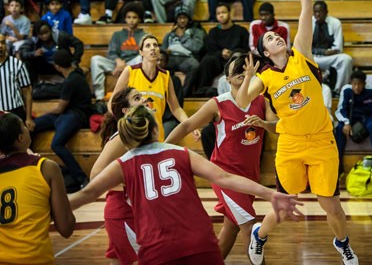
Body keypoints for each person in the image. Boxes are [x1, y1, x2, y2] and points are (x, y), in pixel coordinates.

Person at [237, 0, 359, 265]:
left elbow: (306, 9)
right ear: (265, 52)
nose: (276, 39)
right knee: (283, 204)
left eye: (278, 36)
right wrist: (247, 78)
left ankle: (342, 243)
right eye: (270, 40)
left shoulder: (301, 54)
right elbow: (242, 101)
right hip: (290, 144)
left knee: (330, 204)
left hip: (321, 140)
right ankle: (259, 236)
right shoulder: (264, 76)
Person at [70, 105, 303, 265]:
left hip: (157, 247)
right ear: (155, 129)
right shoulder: (180, 152)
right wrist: (269, 193)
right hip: (199, 241)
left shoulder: (123, 164)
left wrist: (47, 204)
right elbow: (225, 178)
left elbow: (88, 193)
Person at [166, 53, 277, 259]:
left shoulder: (262, 101)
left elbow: (277, 127)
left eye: (246, 69)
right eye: (237, 70)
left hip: (250, 176)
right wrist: (162, 147)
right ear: (227, 79)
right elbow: (188, 125)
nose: (243, 72)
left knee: (231, 228)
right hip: (224, 175)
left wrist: (263, 124)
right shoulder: (218, 103)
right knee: (249, 226)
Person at [0, 111, 75, 264]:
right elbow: (66, 228)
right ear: (21, 138)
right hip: (34, 259)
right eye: (24, 126)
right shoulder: (46, 167)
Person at [90, 87, 145, 265]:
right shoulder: (121, 137)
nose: (144, 100)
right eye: (137, 98)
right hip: (123, 211)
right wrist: (126, 186)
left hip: (133, 210)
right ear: (126, 111)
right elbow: (95, 174)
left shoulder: (138, 133)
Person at [109, 34, 191, 141]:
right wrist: (124, 124)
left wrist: (190, 125)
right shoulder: (130, 71)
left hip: (156, 134)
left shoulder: (165, 76)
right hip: (134, 133)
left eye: (155, 45)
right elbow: (112, 103)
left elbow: (176, 108)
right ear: (141, 52)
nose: (152, 48)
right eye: (148, 45)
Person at [32, 49, 93, 191]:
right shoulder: (76, 72)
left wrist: (44, 113)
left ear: (57, 66)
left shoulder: (71, 81)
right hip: (66, 113)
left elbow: (59, 108)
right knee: (34, 125)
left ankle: (81, 177)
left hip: (76, 115)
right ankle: (31, 163)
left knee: (57, 144)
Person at [334, 69, 372, 177]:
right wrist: (346, 122)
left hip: (367, 117)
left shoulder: (371, 92)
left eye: (359, 84)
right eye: (354, 84)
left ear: (364, 84)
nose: (356, 87)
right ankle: (338, 166)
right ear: (351, 83)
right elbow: (340, 110)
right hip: (350, 118)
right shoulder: (346, 91)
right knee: (339, 128)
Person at [90, 3, 145, 101]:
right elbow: (111, 52)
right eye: (128, 17)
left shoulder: (144, 35)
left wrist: (125, 67)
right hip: (117, 64)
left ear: (139, 19)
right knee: (96, 60)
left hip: (133, 65)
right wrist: (118, 61)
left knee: (142, 58)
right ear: (125, 18)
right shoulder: (117, 35)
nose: (131, 20)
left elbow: (143, 53)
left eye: (134, 17)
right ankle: (99, 97)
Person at [194, 2, 249, 96]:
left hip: (235, 60)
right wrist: (221, 53)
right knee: (207, 60)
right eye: (218, 13)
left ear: (230, 13)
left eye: (223, 12)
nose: (221, 15)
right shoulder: (213, 32)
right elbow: (210, 50)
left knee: (238, 55)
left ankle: (238, 88)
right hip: (218, 61)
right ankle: (202, 90)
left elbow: (246, 49)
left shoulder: (241, 31)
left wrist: (232, 53)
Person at [161, 3, 206, 97]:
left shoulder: (196, 31)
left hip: (186, 58)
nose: (182, 20)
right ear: (176, 19)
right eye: (179, 18)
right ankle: (162, 93)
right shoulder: (170, 34)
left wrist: (182, 36)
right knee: (159, 62)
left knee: (195, 65)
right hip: (171, 57)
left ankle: (184, 95)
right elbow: (162, 50)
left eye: (184, 18)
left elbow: (197, 48)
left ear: (189, 19)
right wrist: (165, 53)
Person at [19, 20, 84, 84]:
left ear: (50, 30)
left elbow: (79, 44)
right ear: (37, 34)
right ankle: (34, 87)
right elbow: (22, 52)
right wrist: (33, 53)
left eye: (46, 32)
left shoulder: (60, 36)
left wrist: (75, 61)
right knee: (28, 63)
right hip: (44, 66)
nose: (44, 36)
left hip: (61, 66)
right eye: (41, 34)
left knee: (77, 74)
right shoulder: (34, 40)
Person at [312, 0, 354, 95]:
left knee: (346, 59)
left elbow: (338, 48)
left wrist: (328, 53)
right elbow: (304, 46)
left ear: (326, 12)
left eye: (320, 11)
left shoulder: (335, 23)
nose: (317, 14)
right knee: (299, 59)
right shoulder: (308, 23)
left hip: (330, 57)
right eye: (315, 12)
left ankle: (339, 91)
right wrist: (322, 52)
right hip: (312, 57)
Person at [0, 34, 35, 130]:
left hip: (15, 111)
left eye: (2, 42)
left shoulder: (17, 64)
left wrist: (28, 118)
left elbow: (27, 93)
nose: (0, 46)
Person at [158, 49, 185, 138]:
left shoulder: (174, 80)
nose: (158, 63)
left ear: (166, 63)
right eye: (157, 60)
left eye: (162, 60)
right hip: (153, 118)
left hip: (169, 119)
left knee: (162, 139)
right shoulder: (145, 79)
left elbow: (178, 104)